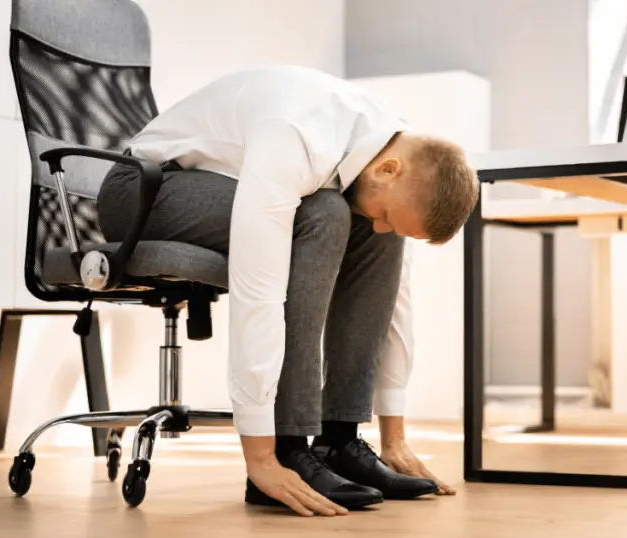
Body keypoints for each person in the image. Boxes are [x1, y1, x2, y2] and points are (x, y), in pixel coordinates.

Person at [95, 65, 480, 517]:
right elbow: (258, 289)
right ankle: (289, 446)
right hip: (141, 191)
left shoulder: (393, 151)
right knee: (325, 213)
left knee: (365, 228)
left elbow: (396, 303)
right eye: (388, 213)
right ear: (389, 170)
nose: (379, 224)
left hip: (215, 186)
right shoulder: (296, 136)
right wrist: (262, 459)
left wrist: (394, 436)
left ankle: (340, 441)